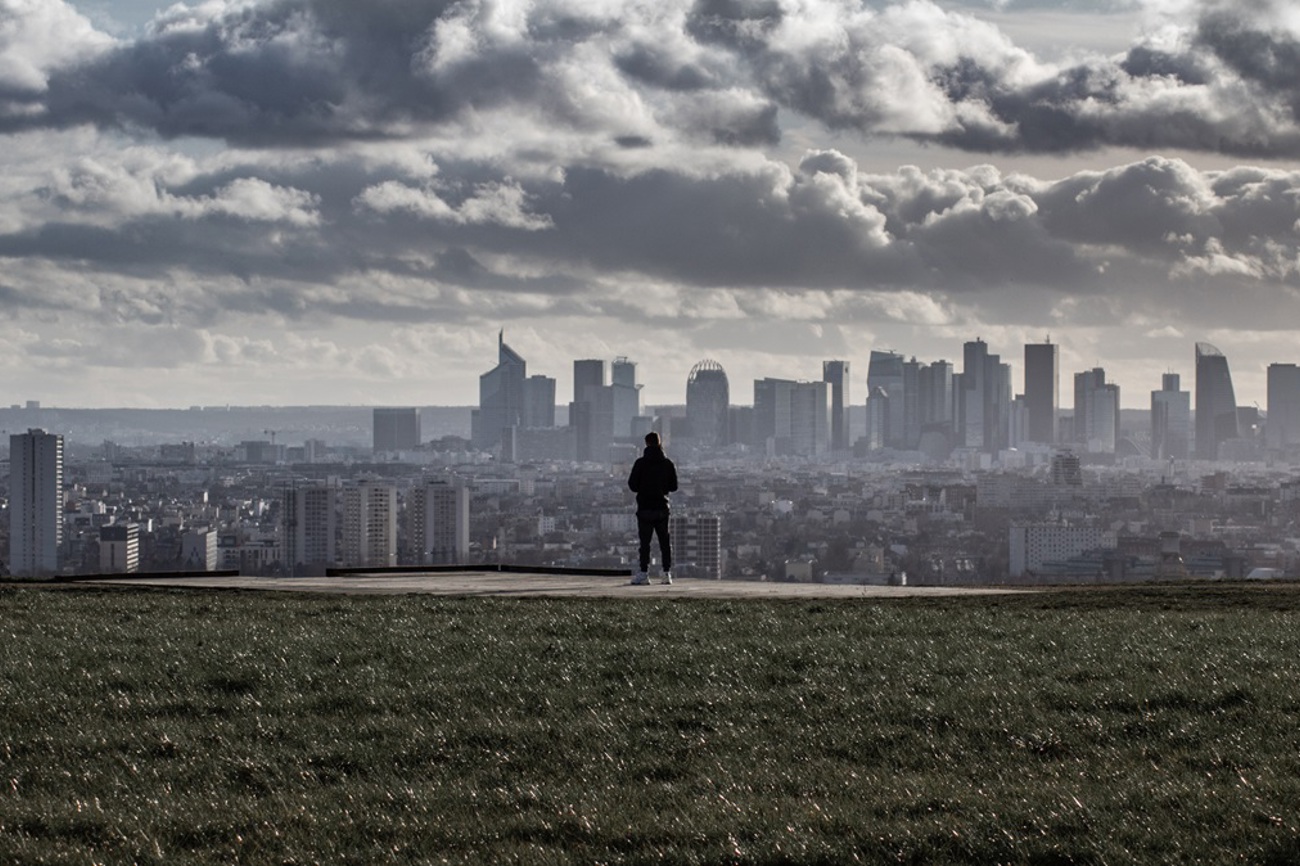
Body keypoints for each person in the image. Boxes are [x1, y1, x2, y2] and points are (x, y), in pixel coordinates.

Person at [627, 431, 678, 585]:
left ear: (647, 444)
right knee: (664, 542)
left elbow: (632, 485)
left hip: (645, 508)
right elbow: (674, 486)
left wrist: (644, 488)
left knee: (645, 544)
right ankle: (666, 573)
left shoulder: (640, 463)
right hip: (662, 507)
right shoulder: (668, 463)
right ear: (659, 443)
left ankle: (644, 573)